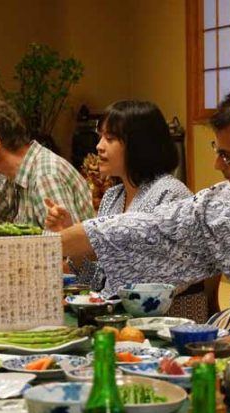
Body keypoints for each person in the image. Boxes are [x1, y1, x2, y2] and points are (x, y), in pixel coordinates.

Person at [58, 89, 230, 334]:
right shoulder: (224, 202)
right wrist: (61, 241)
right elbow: (156, 226)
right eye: (216, 150)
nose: (217, 164)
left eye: (228, 156)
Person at [45, 100, 192, 291]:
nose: (99, 146)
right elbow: (97, 279)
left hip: (159, 316)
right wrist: (73, 237)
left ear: (140, 144)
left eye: (110, 138)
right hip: (113, 311)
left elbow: (175, 275)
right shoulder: (112, 197)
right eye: (100, 137)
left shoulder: (171, 194)